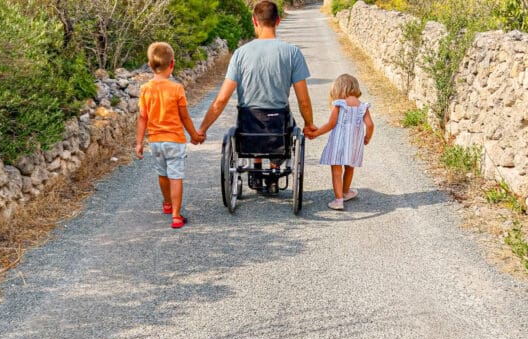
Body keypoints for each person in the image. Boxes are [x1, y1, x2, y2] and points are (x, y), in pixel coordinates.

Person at [197, 0, 315, 192]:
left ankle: (257, 170)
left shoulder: (240, 54)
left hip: (249, 122)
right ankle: (274, 174)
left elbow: (221, 100)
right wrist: (309, 124)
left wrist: (202, 129)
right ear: (278, 20)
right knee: (285, 122)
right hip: (277, 122)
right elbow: (303, 100)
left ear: (254, 21)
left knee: (254, 120)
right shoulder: (292, 53)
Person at [135, 42, 205, 229]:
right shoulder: (177, 89)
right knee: (176, 176)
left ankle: (167, 203)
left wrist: (139, 143)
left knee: (162, 173)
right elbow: (185, 117)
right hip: (174, 141)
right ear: (172, 64)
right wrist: (194, 136)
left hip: (155, 142)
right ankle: (176, 215)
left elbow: (142, 118)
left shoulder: (145, 89)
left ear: (150, 65)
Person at [305, 74, 374, 210]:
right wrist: (367, 137)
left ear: (339, 89)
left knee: (336, 171)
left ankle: (338, 200)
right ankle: (346, 192)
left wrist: (315, 134)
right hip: (353, 145)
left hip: (338, 143)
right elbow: (370, 125)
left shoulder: (339, 104)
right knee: (350, 168)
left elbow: (331, 124)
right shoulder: (363, 106)